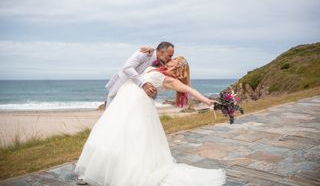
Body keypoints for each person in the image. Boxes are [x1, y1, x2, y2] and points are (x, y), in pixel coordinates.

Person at [74, 56, 227, 186]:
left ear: (179, 67)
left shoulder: (170, 80)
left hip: (138, 108)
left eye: (176, 60)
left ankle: (127, 175)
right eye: (173, 58)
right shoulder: (156, 68)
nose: (172, 60)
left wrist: (208, 101)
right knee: (113, 134)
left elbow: (189, 90)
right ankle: (101, 170)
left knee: (133, 140)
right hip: (124, 102)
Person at [104, 42, 175, 107]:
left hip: (136, 96)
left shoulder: (161, 64)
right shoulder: (144, 53)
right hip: (121, 87)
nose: (170, 59)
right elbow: (127, 68)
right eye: (169, 56)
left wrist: (154, 92)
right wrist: (143, 83)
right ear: (162, 52)